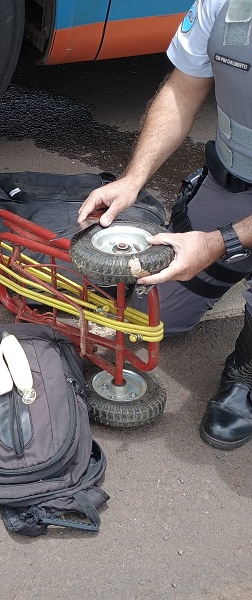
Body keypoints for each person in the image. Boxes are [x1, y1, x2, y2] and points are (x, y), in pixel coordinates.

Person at [77, 0, 252, 450]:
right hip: (236, 184)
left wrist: (221, 241)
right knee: (153, 317)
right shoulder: (224, 4)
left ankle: (245, 373)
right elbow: (183, 89)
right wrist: (133, 179)